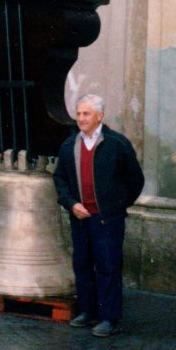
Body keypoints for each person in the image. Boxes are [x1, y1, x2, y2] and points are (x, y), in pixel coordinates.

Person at [53, 94, 144, 337]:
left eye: (86, 114)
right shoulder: (69, 145)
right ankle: (87, 311)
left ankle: (109, 317)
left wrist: (115, 207)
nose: (81, 118)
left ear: (100, 116)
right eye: (79, 113)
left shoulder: (117, 144)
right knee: (82, 265)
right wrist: (71, 204)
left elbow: (135, 180)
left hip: (107, 220)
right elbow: (60, 179)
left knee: (108, 267)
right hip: (80, 218)